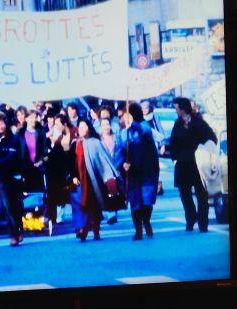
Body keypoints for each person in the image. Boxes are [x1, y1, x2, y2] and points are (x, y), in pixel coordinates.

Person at [169, 97, 217, 232]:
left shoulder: (199, 123)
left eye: (176, 108)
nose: (175, 110)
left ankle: (203, 223)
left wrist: (203, 150)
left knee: (201, 194)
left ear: (183, 109)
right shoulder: (177, 124)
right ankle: (190, 218)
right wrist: (173, 157)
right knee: (184, 194)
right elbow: (173, 143)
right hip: (182, 164)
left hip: (198, 163)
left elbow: (212, 139)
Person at [71, 118, 121, 242]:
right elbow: (72, 162)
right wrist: (74, 176)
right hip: (81, 180)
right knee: (83, 205)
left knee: (95, 205)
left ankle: (95, 231)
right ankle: (83, 229)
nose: (82, 129)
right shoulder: (76, 144)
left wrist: (109, 176)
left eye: (84, 127)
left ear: (89, 128)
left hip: (94, 179)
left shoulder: (96, 143)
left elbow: (104, 160)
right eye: (80, 127)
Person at [117, 103, 160, 240]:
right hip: (132, 173)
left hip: (148, 171)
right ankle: (138, 229)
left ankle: (146, 220)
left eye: (127, 115)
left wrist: (133, 124)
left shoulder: (144, 127)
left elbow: (144, 133)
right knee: (135, 202)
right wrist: (122, 164)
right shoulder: (123, 134)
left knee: (147, 201)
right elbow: (119, 153)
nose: (125, 118)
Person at [0, 112, 24, 246]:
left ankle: (19, 228)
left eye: (2, 123)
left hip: (13, 174)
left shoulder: (13, 139)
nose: (0, 126)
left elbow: (11, 157)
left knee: (16, 205)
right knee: (7, 205)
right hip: (0, 176)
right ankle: (13, 234)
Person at [44, 114, 77, 234]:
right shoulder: (59, 138)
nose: (56, 126)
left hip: (75, 167)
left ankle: (79, 219)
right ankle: (59, 216)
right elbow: (54, 154)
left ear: (65, 123)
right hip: (63, 169)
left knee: (76, 195)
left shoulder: (75, 133)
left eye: (58, 124)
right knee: (62, 192)